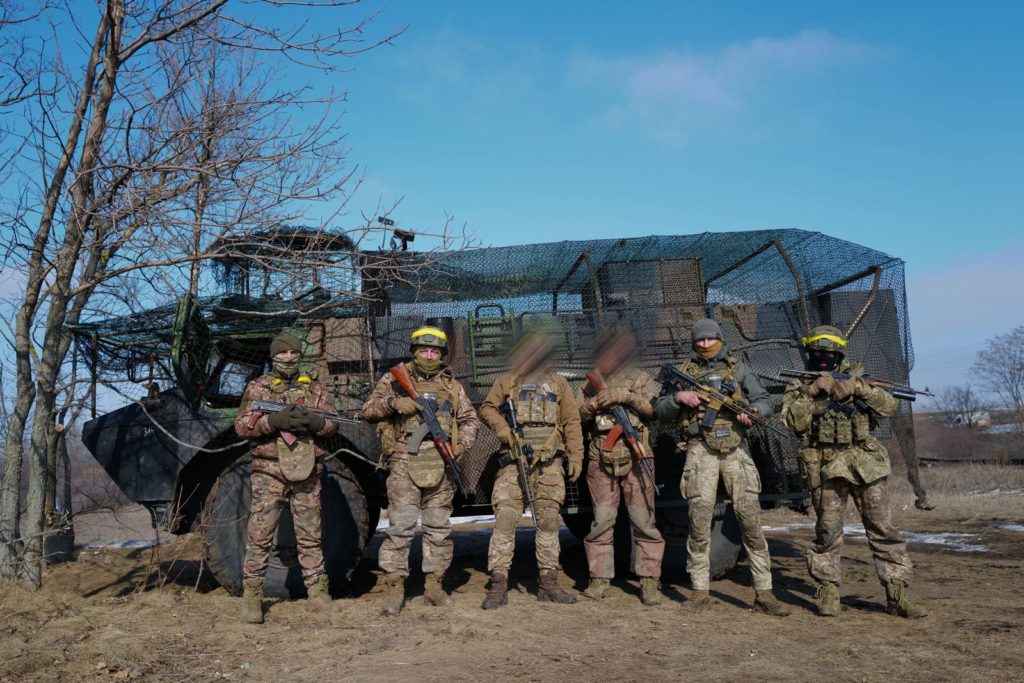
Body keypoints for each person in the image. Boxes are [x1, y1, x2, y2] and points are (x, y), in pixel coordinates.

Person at [780, 325, 927, 618]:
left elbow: (888, 407)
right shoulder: (799, 384)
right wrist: (811, 393)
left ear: (840, 353)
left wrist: (859, 389)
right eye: (818, 352)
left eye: (829, 352)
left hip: (865, 464)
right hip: (825, 464)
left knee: (883, 530)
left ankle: (897, 593)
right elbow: (793, 423)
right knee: (827, 533)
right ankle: (828, 591)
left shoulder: (861, 377)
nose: (823, 357)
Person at [655, 318, 790, 616]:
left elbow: (764, 400)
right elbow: (659, 409)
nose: (705, 344)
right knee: (699, 521)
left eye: (709, 339)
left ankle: (764, 594)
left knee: (750, 520)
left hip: (735, 451)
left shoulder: (738, 368)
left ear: (719, 338)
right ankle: (699, 592)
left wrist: (753, 412)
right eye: (699, 340)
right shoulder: (684, 373)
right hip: (699, 450)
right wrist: (679, 397)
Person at [362, 325, 479, 616]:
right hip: (403, 460)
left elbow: (469, 420)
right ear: (414, 352)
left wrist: (461, 446)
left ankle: (434, 585)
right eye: (424, 350)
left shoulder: (452, 386)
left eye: (434, 351)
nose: (429, 355)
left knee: (438, 527)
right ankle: (394, 588)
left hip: (440, 464)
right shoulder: (396, 379)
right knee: (401, 526)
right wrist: (394, 403)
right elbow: (368, 410)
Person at [234, 331, 339, 624]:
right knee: (260, 534)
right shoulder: (259, 387)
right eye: (283, 354)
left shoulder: (315, 387)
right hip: (269, 470)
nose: (289, 358)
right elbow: (242, 426)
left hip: (306, 469)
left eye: (294, 354)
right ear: (273, 356)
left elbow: (333, 424)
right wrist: (273, 421)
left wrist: (317, 423)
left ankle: (318, 592)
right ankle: (252, 596)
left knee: (310, 534)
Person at [478, 327, 584, 609]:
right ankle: (498, 585)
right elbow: (487, 408)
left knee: (549, 523)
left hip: (550, 464)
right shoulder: (508, 381)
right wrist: (503, 430)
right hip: (514, 464)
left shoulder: (559, 384)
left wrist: (576, 457)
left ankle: (548, 583)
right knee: (505, 521)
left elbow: (572, 422)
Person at [577, 329, 665, 605]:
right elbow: (574, 417)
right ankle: (600, 578)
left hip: (637, 458)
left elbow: (656, 411)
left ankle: (650, 581)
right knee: (602, 522)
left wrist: (626, 397)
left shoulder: (640, 378)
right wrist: (593, 404)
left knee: (644, 523)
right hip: (600, 459)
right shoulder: (589, 383)